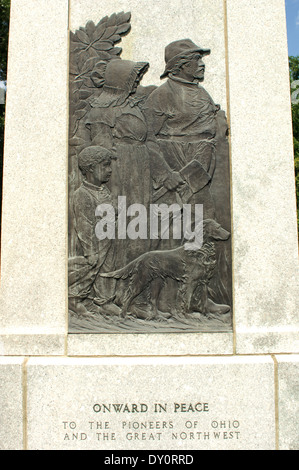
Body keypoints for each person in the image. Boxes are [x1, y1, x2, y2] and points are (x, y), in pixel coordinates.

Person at [144, 39, 223, 235]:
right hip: (177, 156)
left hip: (205, 155)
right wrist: (164, 174)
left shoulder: (202, 92)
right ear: (181, 65)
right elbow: (146, 138)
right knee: (177, 210)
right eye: (197, 59)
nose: (202, 64)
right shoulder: (161, 95)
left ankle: (203, 240)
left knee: (201, 205)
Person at [68, 145, 120, 317]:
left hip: (108, 239)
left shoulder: (104, 190)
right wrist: (90, 251)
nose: (109, 170)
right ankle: (74, 298)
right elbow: (83, 225)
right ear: (91, 168)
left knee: (108, 270)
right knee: (89, 271)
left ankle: (105, 301)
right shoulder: (81, 194)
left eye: (109, 166)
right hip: (94, 244)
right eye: (104, 166)